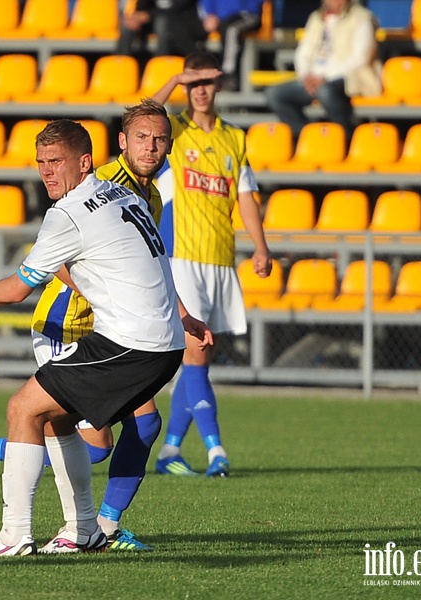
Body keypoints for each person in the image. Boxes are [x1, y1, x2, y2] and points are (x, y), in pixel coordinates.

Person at [0, 119, 211, 557]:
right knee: (58, 417)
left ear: (84, 162)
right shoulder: (120, 194)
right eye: (41, 162)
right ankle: (84, 530)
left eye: (56, 161)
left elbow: (19, 288)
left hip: (129, 343)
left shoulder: (68, 213)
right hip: (158, 342)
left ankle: (14, 536)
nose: (46, 171)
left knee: (22, 408)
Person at [150, 52, 272, 477]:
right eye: (193, 83)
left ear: (218, 86)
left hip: (220, 259)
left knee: (199, 358)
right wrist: (172, 78)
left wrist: (260, 246)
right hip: (181, 255)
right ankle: (216, 450)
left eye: (206, 82)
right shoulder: (173, 131)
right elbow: (144, 115)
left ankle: (168, 452)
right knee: (197, 353)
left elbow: (244, 196)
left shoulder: (234, 138)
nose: (200, 90)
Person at [264, 0, 381, 143]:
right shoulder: (316, 18)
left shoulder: (362, 18)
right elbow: (303, 53)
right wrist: (306, 75)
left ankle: (347, 137)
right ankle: (309, 139)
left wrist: (325, 76)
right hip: (314, 78)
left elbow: (360, 58)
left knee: (325, 91)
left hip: (350, 77)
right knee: (275, 94)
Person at [199, 0, 264, 91]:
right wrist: (209, 15)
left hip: (248, 15)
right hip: (221, 20)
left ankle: (229, 75)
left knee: (232, 30)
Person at [117, 0, 207, 58]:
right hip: (153, 21)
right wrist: (136, 17)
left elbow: (178, 10)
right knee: (128, 26)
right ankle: (120, 64)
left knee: (162, 23)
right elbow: (142, 6)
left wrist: (149, 15)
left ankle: (160, 62)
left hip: (180, 24)